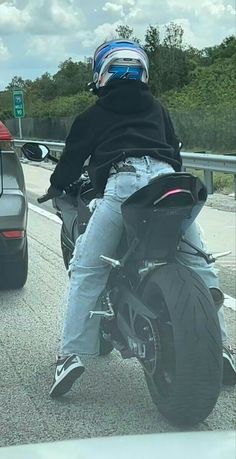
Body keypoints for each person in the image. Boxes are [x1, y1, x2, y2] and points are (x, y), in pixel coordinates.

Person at [47, 39, 236, 397]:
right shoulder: (157, 107)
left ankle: (70, 354)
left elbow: (71, 162)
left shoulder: (93, 115)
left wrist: (57, 187)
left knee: (88, 267)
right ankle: (223, 350)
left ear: (101, 74)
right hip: (170, 182)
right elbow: (175, 149)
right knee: (201, 265)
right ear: (142, 72)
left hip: (125, 183)